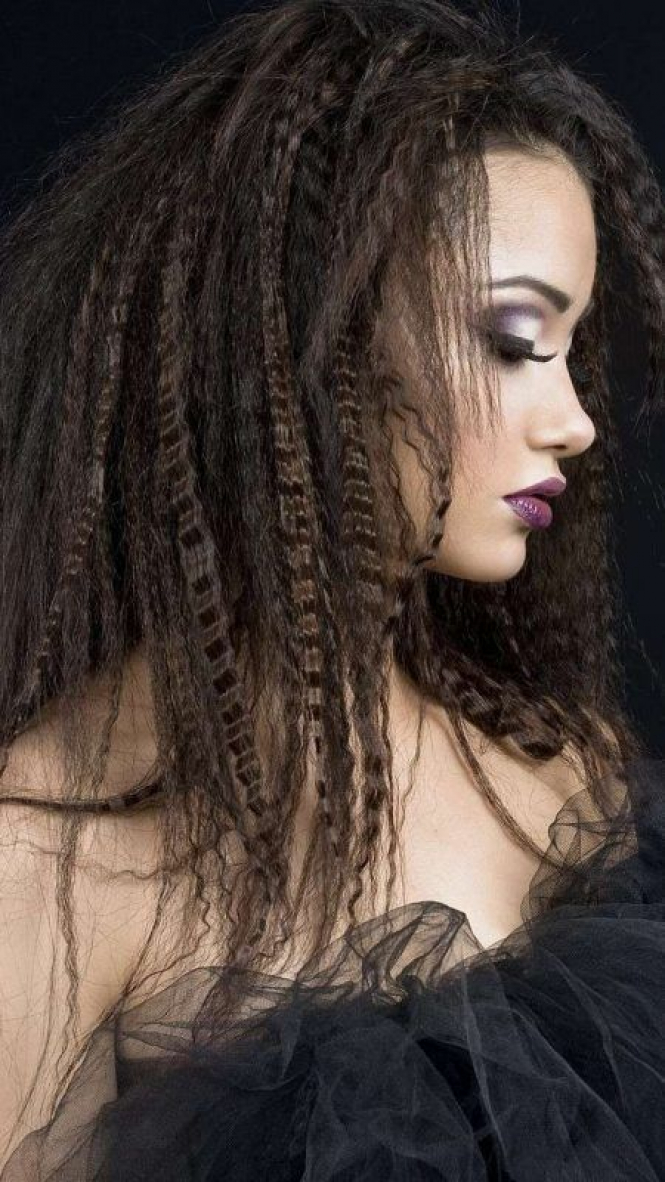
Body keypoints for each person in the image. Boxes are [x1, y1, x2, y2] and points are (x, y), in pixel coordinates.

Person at [0, 0, 663, 1176]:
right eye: (513, 338)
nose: (571, 422)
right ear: (309, 343)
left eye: (569, 351)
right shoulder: (48, 867)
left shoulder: (564, 772)